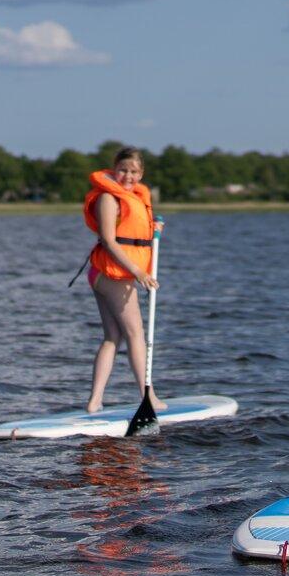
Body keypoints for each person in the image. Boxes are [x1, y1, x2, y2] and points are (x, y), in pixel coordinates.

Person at [82, 147, 168, 414]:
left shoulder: (136, 197)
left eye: (133, 171)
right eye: (123, 170)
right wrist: (138, 271)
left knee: (113, 336)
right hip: (111, 273)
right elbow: (108, 240)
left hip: (108, 273)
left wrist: (153, 229)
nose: (128, 176)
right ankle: (148, 397)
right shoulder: (109, 198)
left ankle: (94, 402)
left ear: (141, 174)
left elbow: (132, 233)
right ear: (114, 169)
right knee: (135, 334)